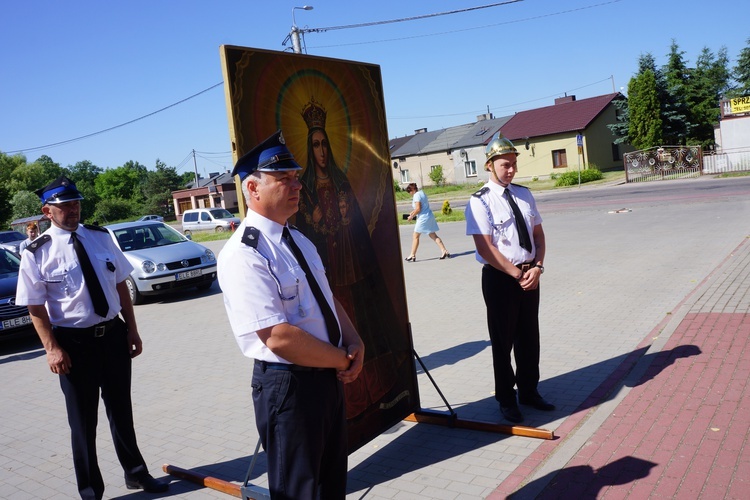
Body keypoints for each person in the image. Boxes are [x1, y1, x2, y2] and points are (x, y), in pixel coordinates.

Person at [217, 130, 365, 499]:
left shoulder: (298, 240)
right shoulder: (244, 253)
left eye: (296, 176)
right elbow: (277, 337)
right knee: (299, 491)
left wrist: (354, 341)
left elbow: (327, 298)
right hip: (290, 386)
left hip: (326, 377)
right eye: (283, 179)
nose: (296, 184)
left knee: (331, 484)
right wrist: (341, 359)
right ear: (253, 190)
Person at [15, 176, 168, 499]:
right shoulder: (36, 252)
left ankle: (137, 474)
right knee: (83, 423)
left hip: (112, 336)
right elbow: (35, 307)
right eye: (64, 206)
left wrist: (132, 329)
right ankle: (90, 490)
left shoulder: (101, 236)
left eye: (76, 203)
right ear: (47, 211)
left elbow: (120, 286)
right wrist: (52, 349)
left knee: (121, 412)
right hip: (74, 345)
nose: (73, 210)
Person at [464, 133, 555, 424]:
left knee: (530, 337)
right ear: (489, 165)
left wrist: (537, 268)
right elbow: (484, 247)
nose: (512, 170)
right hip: (502, 279)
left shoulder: (524, 194)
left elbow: (538, 236)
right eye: (505, 165)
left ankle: (529, 391)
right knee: (502, 341)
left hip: (530, 273)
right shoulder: (480, 201)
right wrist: (517, 274)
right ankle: (506, 397)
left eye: (514, 164)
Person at [404, 182, 450, 261]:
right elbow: (422, 207)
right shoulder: (422, 193)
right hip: (429, 216)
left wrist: (411, 216)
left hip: (423, 218)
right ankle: (444, 250)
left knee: (415, 236)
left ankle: (412, 255)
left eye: (409, 191)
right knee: (433, 235)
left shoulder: (416, 195)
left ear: (412, 190)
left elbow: (418, 209)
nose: (409, 193)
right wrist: (412, 212)